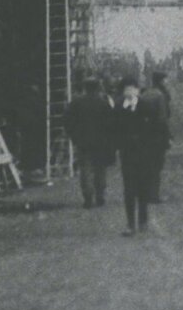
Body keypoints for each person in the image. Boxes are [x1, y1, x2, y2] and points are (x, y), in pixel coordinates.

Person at [114, 79, 166, 234]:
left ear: (137, 91)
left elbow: (156, 128)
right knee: (129, 189)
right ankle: (130, 224)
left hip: (144, 153)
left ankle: (143, 220)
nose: (129, 93)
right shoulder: (118, 108)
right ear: (123, 92)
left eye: (132, 89)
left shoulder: (146, 107)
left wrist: (152, 145)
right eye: (126, 90)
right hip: (127, 153)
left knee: (143, 187)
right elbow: (112, 128)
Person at [67, 76, 115, 209]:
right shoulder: (103, 103)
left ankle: (88, 197)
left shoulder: (76, 103)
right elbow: (111, 123)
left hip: (83, 142)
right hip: (101, 142)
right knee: (100, 169)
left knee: (85, 170)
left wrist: (74, 137)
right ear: (98, 87)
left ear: (85, 88)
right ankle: (100, 195)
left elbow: (68, 121)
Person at [144, 71, 174, 202]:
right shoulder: (160, 96)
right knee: (157, 165)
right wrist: (168, 135)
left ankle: (146, 192)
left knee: (147, 163)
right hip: (157, 134)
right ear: (161, 81)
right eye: (165, 80)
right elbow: (162, 118)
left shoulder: (144, 94)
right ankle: (153, 195)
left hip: (144, 133)